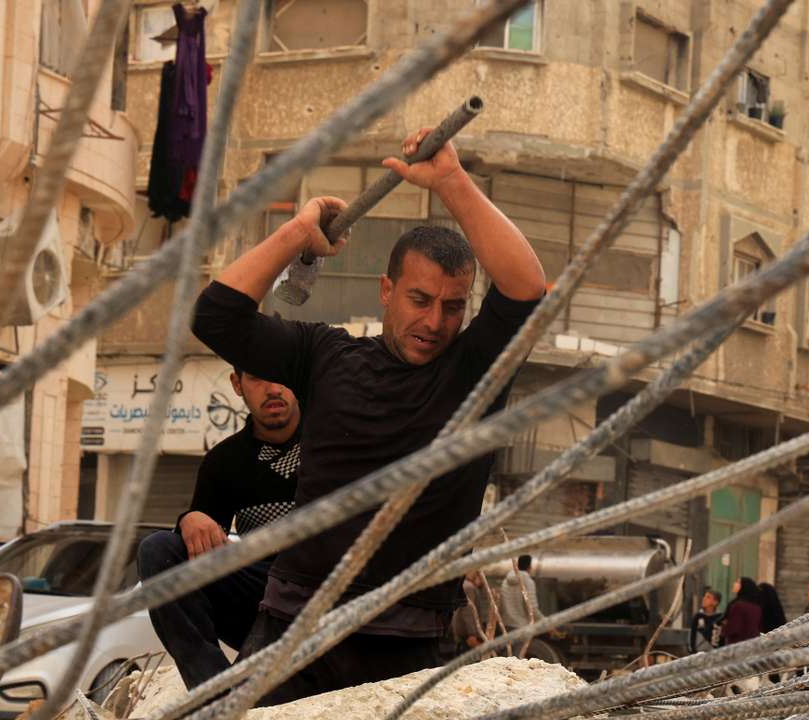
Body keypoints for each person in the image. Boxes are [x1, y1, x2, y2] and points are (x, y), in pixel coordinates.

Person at [192, 129, 545, 704]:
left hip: (404, 641)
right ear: (386, 290)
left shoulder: (477, 370)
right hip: (294, 626)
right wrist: (294, 235)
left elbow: (527, 288)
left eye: (453, 306)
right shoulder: (325, 354)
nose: (434, 321)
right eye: (419, 300)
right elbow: (217, 317)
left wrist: (452, 182)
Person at [136, 369, 302, 689]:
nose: (273, 387)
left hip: (330, 592)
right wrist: (192, 518)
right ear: (237, 385)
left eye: (283, 372)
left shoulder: (336, 441)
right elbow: (201, 548)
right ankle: (213, 692)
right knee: (158, 549)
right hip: (261, 595)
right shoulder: (224, 461)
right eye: (257, 379)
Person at [450, 570, 497, 651]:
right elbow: (468, 612)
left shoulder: (464, 585)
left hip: (461, 630)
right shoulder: (469, 587)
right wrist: (472, 634)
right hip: (467, 633)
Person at [499, 555, 542, 632]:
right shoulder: (528, 582)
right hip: (521, 627)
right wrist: (545, 622)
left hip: (505, 626)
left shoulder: (505, 582)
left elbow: (500, 605)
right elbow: (532, 608)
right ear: (530, 566)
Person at [719, 577, 762, 646]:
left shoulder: (738, 606)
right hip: (753, 643)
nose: (734, 584)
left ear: (744, 586)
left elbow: (733, 628)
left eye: (738, 582)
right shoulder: (756, 607)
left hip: (737, 644)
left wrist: (724, 627)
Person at [689, 587, 723, 653]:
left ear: (715, 602)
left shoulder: (719, 617)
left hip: (714, 653)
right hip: (699, 653)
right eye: (704, 596)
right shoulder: (698, 616)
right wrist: (693, 651)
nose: (704, 599)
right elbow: (692, 635)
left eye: (708, 597)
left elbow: (720, 637)